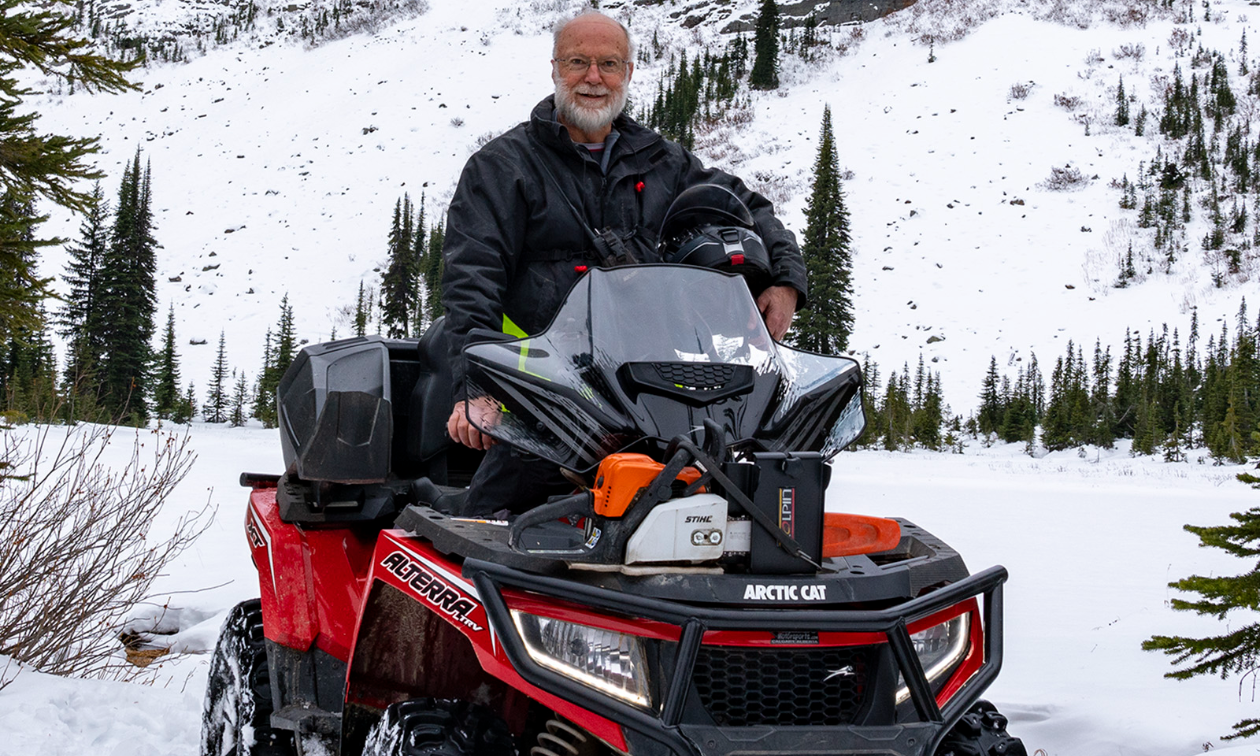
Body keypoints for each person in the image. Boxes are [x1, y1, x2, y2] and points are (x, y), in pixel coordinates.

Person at [440, 10, 808, 513]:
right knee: (504, 503)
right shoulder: (503, 167)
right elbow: (471, 284)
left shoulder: (664, 161)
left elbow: (749, 209)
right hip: (547, 386)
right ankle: (461, 568)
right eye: (578, 62)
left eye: (609, 64)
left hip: (654, 385)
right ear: (554, 69)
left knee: (751, 481)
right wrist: (478, 388)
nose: (594, 78)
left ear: (628, 73)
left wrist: (785, 280)